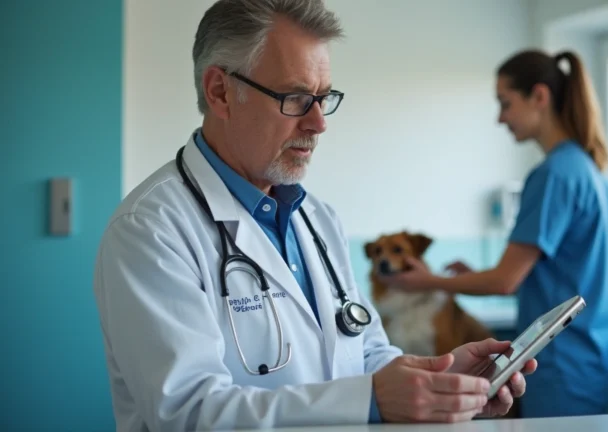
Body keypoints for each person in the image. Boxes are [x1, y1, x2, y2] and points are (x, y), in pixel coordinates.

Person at [92, 1, 537, 431]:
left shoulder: (317, 220)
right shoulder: (151, 230)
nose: (319, 123)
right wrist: (370, 402)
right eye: (296, 98)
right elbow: (187, 412)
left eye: (324, 98)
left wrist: (437, 377)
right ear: (220, 91)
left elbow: (366, 354)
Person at [379, 49, 608, 418]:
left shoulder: (553, 175)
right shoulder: (587, 167)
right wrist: (469, 277)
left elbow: (505, 281)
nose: (500, 118)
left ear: (539, 97)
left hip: (565, 361)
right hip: (598, 353)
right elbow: (552, 270)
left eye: (505, 103)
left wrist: (427, 282)